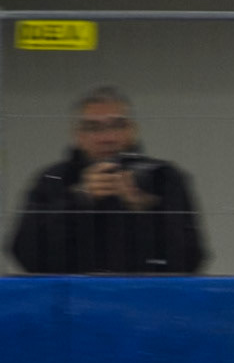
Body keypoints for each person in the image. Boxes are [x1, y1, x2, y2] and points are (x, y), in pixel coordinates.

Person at [7, 85, 207, 274]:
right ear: (77, 135)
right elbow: (25, 257)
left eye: (117, 125)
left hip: (144, 302)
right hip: (74, 303)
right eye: (93, 127)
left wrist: (146, 211)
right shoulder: (53, 179)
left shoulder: (163, 178)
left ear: (133, 130)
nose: (107, 138)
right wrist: (79, 202)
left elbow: (192, 260)